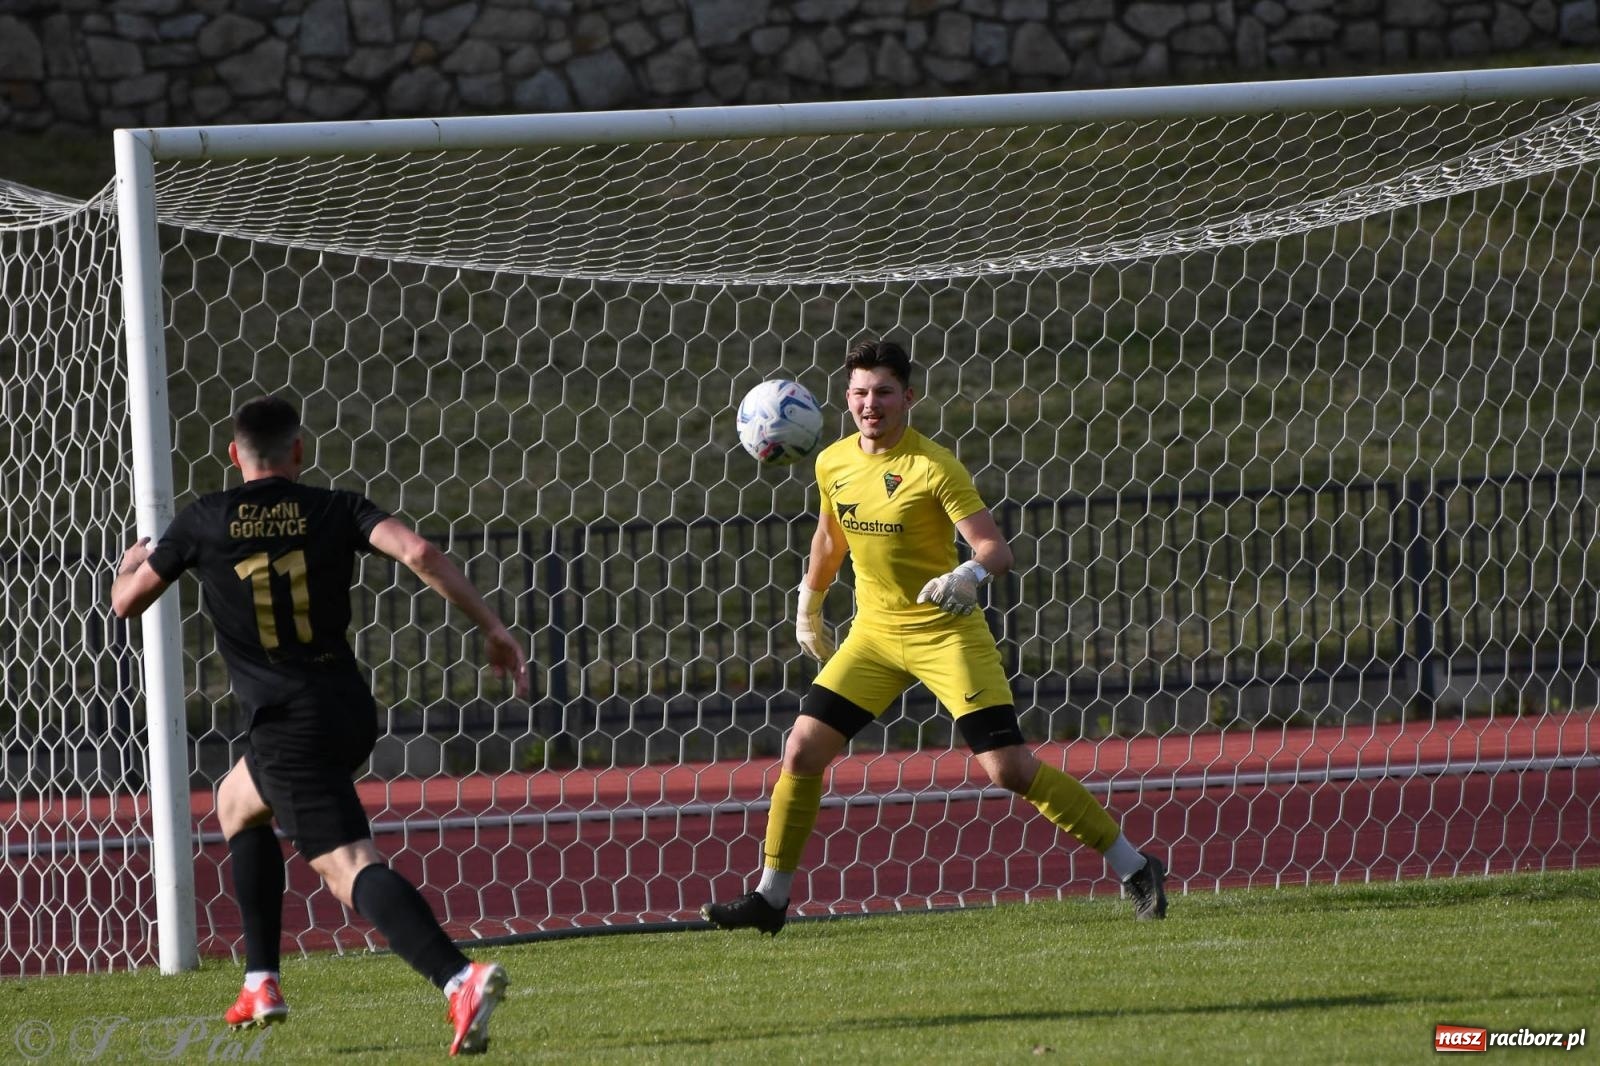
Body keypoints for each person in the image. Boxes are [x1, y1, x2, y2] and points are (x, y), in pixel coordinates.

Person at [700, 338, 1167, 935]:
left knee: (1009, 771)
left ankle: (1134, 867)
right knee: (801, 751)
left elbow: (996, 549)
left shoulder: (933, 466)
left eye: (885, 393)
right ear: (845, 401)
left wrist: (967, 574)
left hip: (945, 634)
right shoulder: (832, 461)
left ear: (908, 399)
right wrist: (809, 602)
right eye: (862, 393)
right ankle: (770, 897)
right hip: (873, 635)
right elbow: (829, 538)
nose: (873, 404)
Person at [111, 395, 529, 1056]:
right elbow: (417, 550)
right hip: (345, 706)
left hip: (286, 724)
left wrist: (127, 567)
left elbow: (128, 604)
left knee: (348, 869)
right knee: (234, 802)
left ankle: (459, 978)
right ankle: (261, 981)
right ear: (298, 451)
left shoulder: (205, 520)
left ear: (233, 455)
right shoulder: (335, 507)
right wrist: (495, 628)